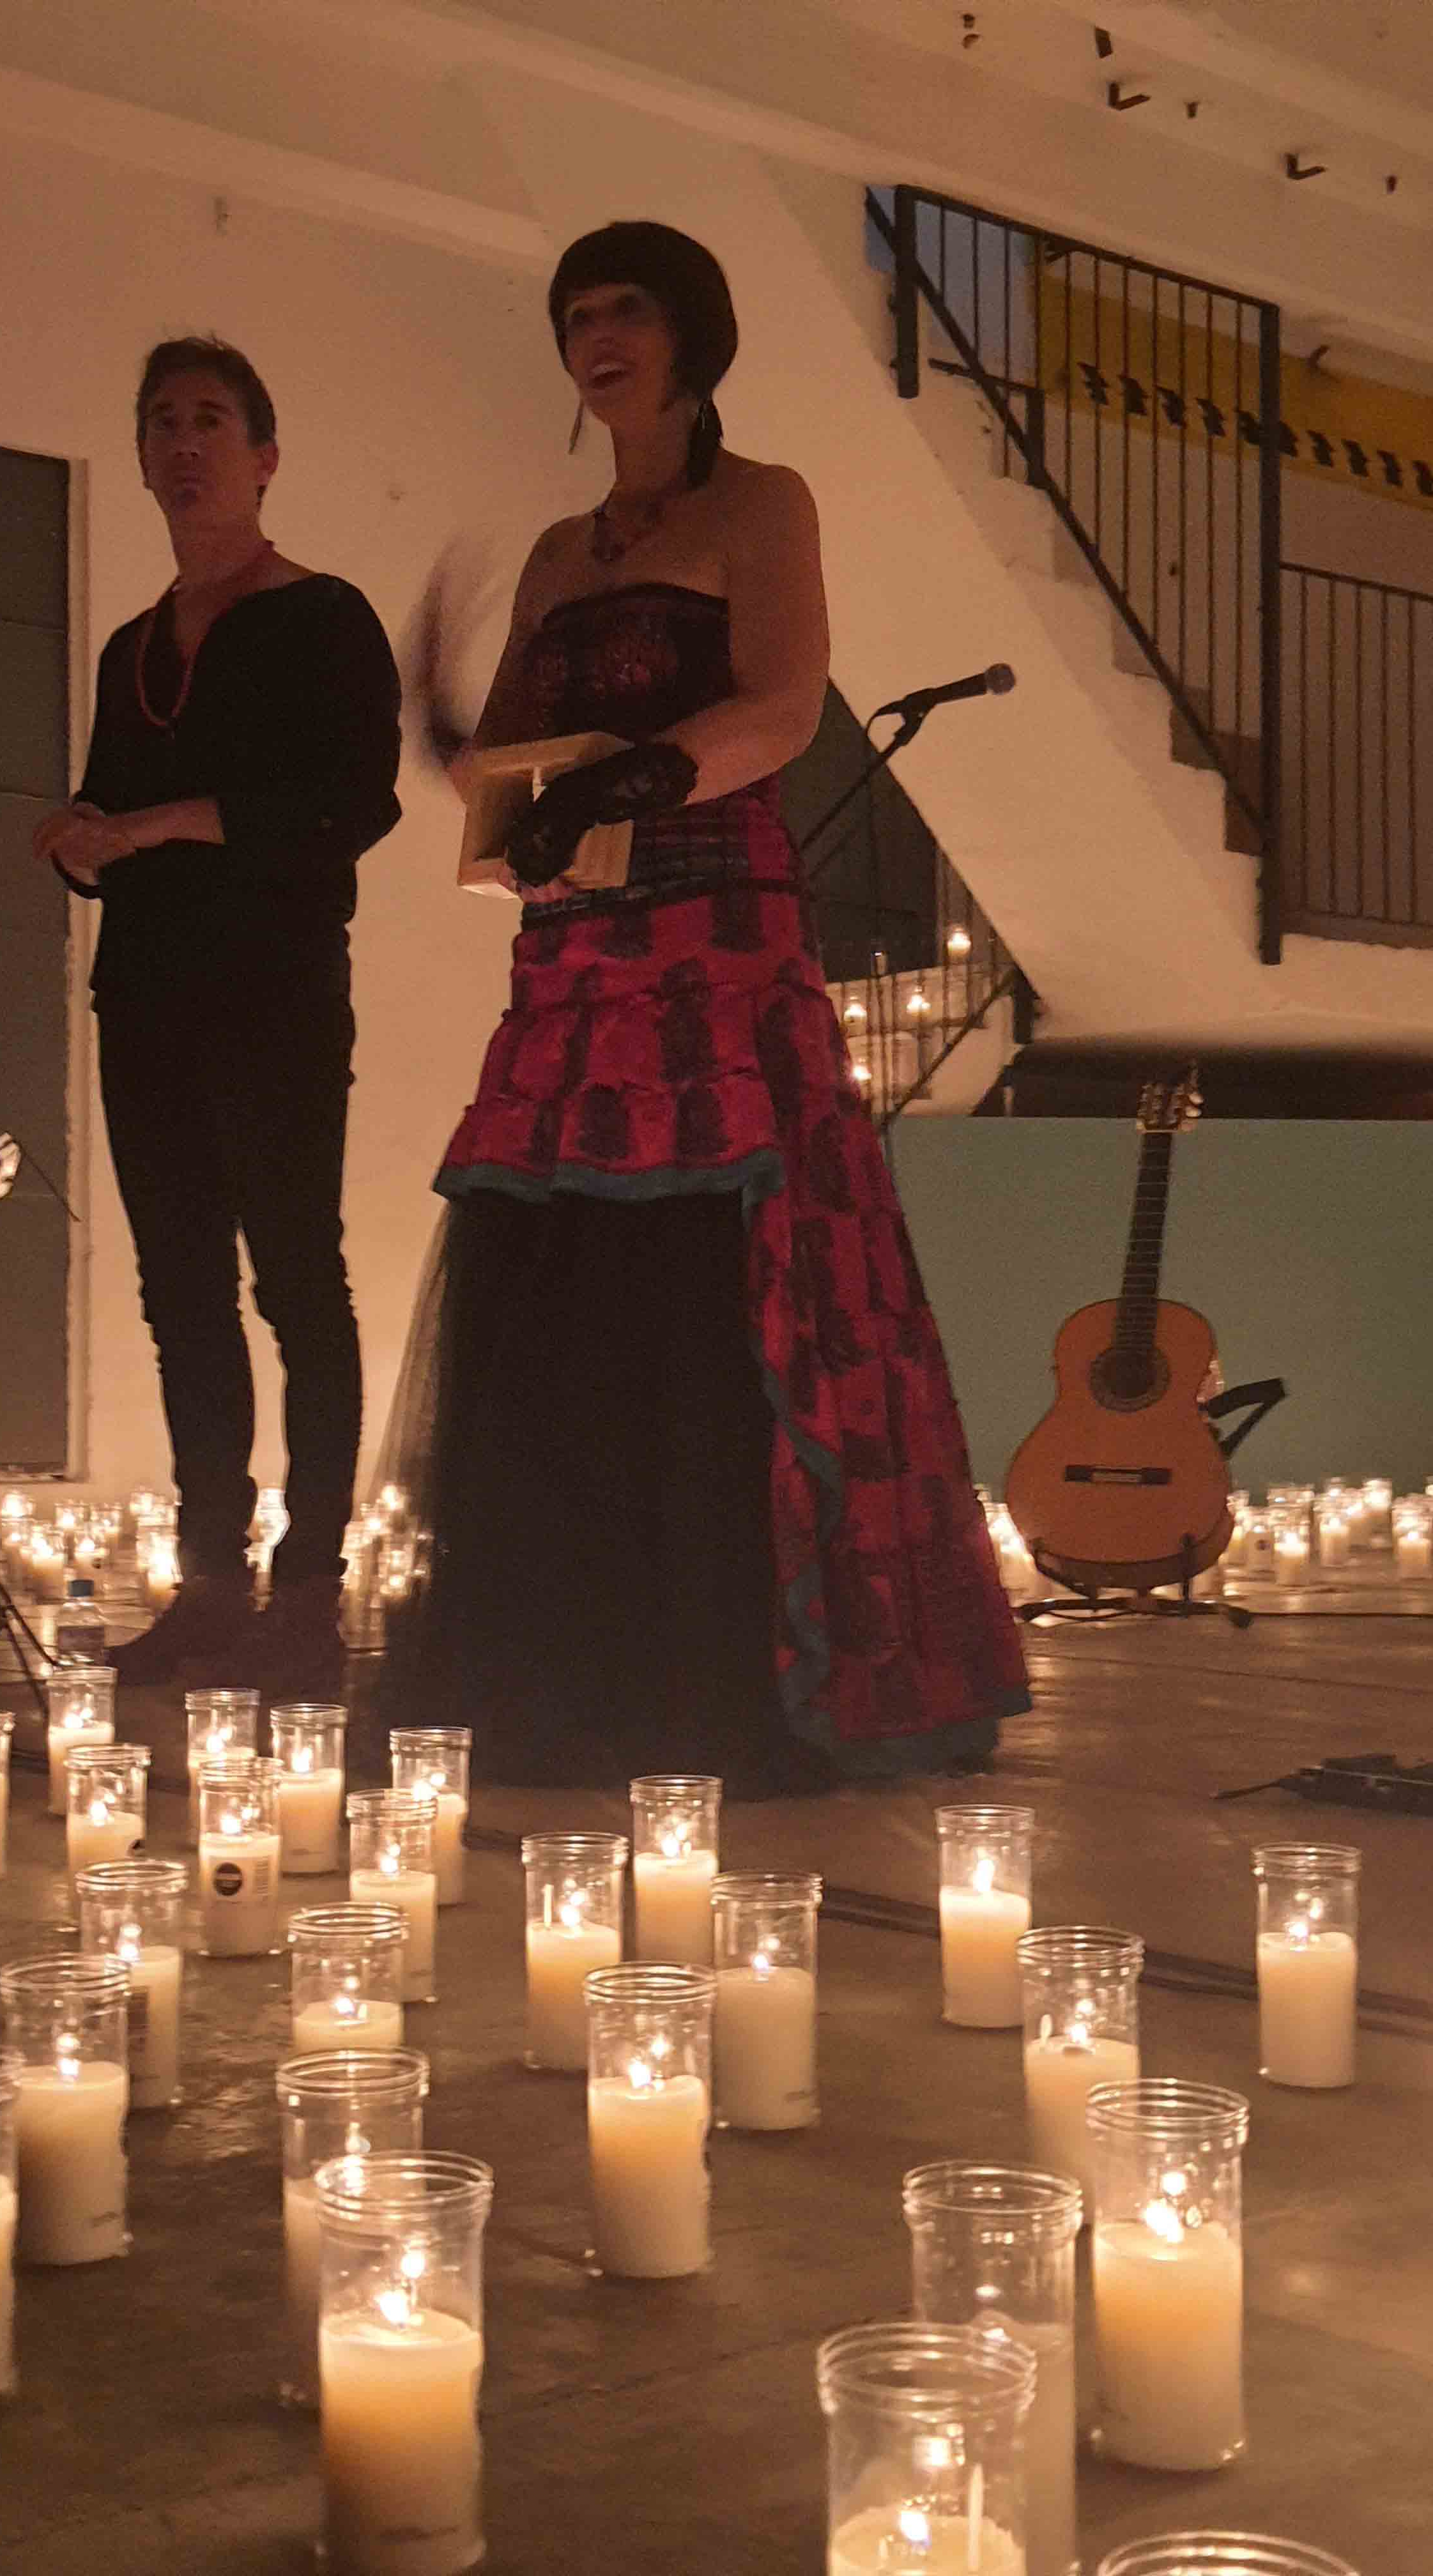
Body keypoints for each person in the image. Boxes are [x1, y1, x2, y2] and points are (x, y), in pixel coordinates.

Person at [386, 222, 1028, 1795]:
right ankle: (571, 1660)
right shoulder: (559, 553)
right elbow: (516, 780)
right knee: (558, 1287)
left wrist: (639, 776)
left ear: (691, 336)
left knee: (718, 1283)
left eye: (625, 310)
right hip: (573, 962)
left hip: (717, 942)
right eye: (574, 317)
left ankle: (729, 1667)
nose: (596, 337)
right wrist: (453, 748)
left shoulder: (763, 503)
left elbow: (786, 706)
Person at [34, 337, 401, 1690]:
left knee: (297, 1281)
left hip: (275, 994)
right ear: (141, 458)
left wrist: (157, 826)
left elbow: (351, 807)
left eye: (209, 419)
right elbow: (109, 806)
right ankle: (209, 1581)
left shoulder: (326, 617)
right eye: (161, 422)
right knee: (179, 1292)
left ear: (264, 456)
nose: (182, 442)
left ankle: (308, 1587)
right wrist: (83, 838)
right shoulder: (132, 647)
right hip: (145, 995)